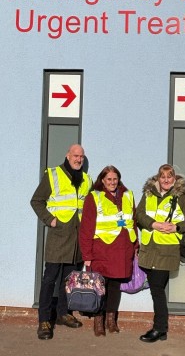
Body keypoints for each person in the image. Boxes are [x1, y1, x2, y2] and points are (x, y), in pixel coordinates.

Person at [30, 144, 92, 340]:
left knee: (69, 280)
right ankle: (44, 320)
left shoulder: (86, 179)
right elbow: (36, 201)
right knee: (49, 280)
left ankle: (63, 314)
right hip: (59, 236)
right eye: (75, 155)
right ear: (67, 155)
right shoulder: (54, 174)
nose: (78, 159)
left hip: (77, 239)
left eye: (81, 157)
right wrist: (50, 220)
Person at [136, 164, 185, 343]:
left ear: (174, 179)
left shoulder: (181, 196)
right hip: (149, 249)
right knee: (157, 289)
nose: (165, 180)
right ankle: (161, 330)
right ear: (157, 178)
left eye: (169, 177)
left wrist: (176, 227)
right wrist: (153, 224)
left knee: (156, 289)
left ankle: (159, 329)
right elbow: (139, 214)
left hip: (167, 250)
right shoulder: (148, 194)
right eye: (162, 177)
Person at [79, 165, 138, 336]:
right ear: (102, 180)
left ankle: (111, 320)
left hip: (122, 249)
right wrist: (87, 255)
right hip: (102, 250)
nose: (112, 182)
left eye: (115, 179)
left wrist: (135, 245)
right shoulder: (94, 197)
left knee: (115, 286)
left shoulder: (128, 195)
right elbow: (86, 229)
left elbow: (132, 222)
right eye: (109, 179)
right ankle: (98, 321)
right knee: (99, 287)